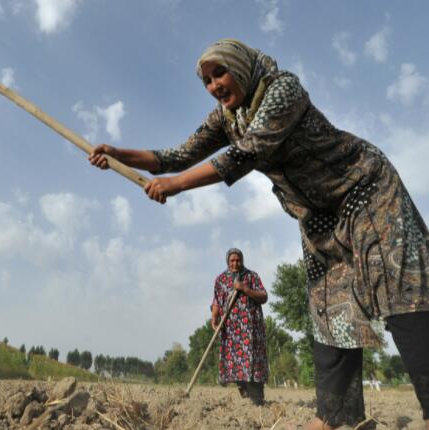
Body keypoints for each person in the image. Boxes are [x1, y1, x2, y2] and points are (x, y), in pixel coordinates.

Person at [88, 38, 429, 429]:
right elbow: (175, 156)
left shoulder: (284, 89)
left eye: (220, 73)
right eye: (206, 81)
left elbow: (247, 153)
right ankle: (337, 418)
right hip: (318, 215)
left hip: (366, 189)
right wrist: (118, 154)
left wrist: (176, 185)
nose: (215, 85)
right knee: (331, 309)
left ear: (242, 67)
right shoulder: (226, 117)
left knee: (404, 295)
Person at [212, 248, 268, 405]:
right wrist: (214, 317)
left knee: (253, 362)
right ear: (227, 261)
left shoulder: (251, 276)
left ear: (242, 260)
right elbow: (217, 300)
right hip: (231, 330)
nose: (235, 263)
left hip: (251, 329)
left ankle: (257, 397)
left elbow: (264, 296)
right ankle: (245, 396)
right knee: (236, 363)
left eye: (238, 260)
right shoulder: (221, 279)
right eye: (232, 261)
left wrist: (244, 288)